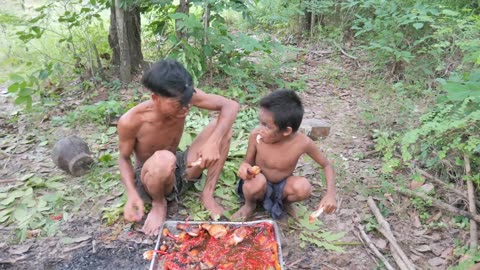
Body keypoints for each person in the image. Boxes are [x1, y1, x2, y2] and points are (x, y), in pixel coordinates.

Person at [117, 59, 239, 236]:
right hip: (150, 178)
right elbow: (123, 158)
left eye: (188, 101)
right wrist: (131, 194)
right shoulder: (131, 121)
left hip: (180, 169)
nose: (186, 108)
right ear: (156, 98)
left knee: (222, 129)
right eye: (178, 104)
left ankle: (208, 194)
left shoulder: (183, 96)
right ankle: (160, 204)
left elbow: (231, 105)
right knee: (164, 158)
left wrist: (214, 141)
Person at [231, 89, 336, 221]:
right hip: (259, 181)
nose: (260, 129)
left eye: (266, 126)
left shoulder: (303, 143)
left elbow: (326, 165)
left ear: (286, 131)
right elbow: (247, 162)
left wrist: (330, 193)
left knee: (303, 188)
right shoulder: (256, 136)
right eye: (260, 122)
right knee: (255, 183)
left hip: (282, 184)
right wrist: (245, 169)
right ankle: (249, 204)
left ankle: (285, 203)